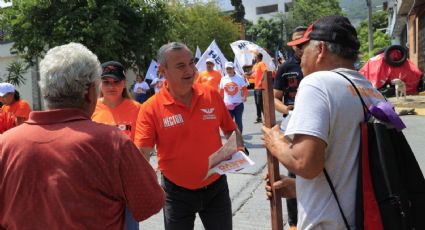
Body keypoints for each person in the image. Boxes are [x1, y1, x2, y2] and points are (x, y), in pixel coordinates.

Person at [0, 42, 165, 229]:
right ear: (89, 92)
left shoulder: (4, 145)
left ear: (45, 90)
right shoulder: (113, 142)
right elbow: (150, 203)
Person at [262, 16, 386, 229]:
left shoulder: (317, 83)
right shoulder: (372, 91)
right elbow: (351, 170)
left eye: (303, 50)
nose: (299, 58)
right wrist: (299, 188)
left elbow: (305, 164)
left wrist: (275, 142)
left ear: (320, 49)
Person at [135, 42, 244, 230]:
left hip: (216, 187)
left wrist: (239, 151)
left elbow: (230, 129)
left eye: (191, 63)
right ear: (162, 71)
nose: (190, 70)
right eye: (180, 66)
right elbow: (142, 153)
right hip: (176, 194)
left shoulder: (211, 94)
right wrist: (146, 187)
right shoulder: (150, 108)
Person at [91, 61, 144, 230]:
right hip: (98, 182)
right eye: (106, 82)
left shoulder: (137, 109)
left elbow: (142, 148)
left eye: (116, 81)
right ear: (100, 84)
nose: (111, 86)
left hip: (127, 183)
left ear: (124, 83)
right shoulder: (90, 109)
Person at [273, 26, 307, 230]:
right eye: (296, 42)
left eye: (303, 41)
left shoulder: (318, 65)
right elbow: (274, 98)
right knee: (294, 171)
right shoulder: (285, 68)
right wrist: (287, 109)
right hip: (293, 125)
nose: (300, 46)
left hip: (317, 124)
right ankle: (293, 223)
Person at [219, 61, 248, 133]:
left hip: (238, 104)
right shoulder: (223, 79)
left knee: (238, 122)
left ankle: (239, 138)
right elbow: (221, 91)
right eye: (227, 69)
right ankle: (230, 140)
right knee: (228, 123)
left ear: (234, 69)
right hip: (227, 105)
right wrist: (220, 101)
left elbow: (244, 89)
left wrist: (245, 96)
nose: (229, 70)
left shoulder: (239, 78)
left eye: (230, 68)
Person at [245, 53, 267, 123]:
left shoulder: (262, 63)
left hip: (261, 86)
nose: (254, 58)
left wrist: (261, 80)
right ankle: (259, 117)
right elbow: (253, 75)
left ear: (259, 57)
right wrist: (247, 76)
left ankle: (266, 117)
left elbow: (265, 71)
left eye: (255, 57)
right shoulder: (255, 65)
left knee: (259, 102)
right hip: (256, 87)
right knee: (257, 103)